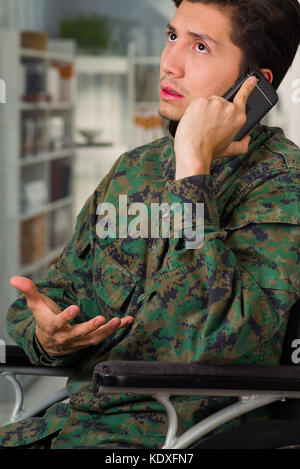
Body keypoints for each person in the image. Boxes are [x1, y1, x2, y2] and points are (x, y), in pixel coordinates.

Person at [1, 0, 300, 449]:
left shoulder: (283, 184)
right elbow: (53, 294)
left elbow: (219, 342)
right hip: (64, 427)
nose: (169, 63)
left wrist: (193, 170)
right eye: (173, 37)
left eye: (200, 47)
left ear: (254, 85)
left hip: (168, 441)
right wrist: (49, 335)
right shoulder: (135, 169)